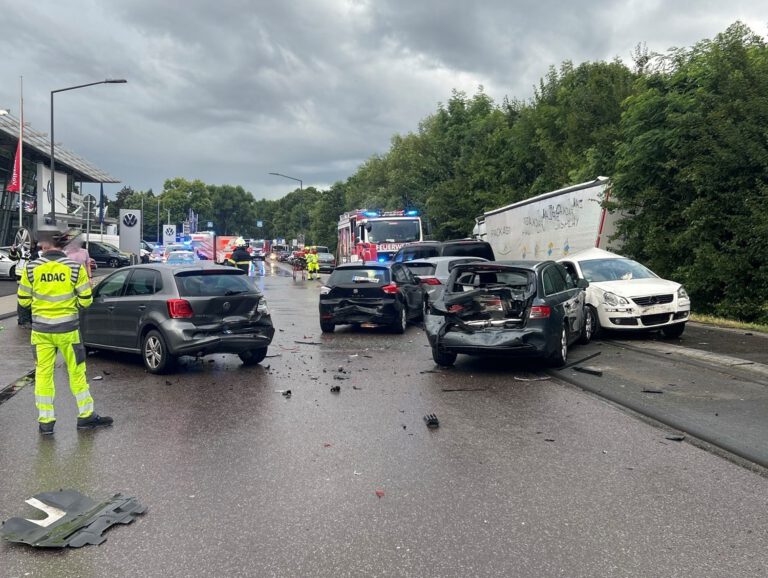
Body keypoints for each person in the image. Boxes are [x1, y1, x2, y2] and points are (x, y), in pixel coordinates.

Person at [17, 228, 113, 435]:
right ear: (63, 245)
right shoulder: (75, 268)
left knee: (43, 375)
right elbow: (86, 301)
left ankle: (46, 422)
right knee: (77, 374)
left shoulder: (31, 269)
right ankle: (86, 416)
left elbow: (23, 301)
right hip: (68, 331)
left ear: (44, 245)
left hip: (41, 332)